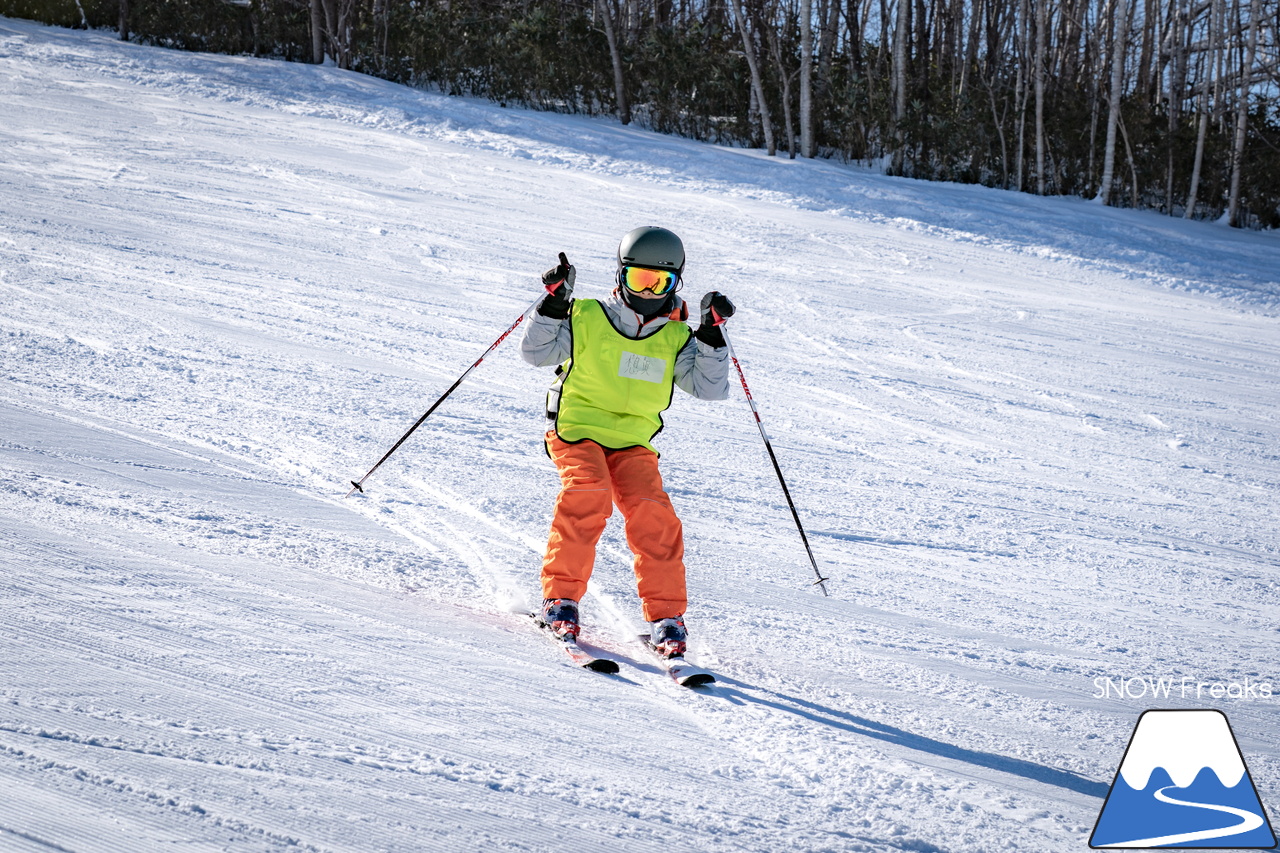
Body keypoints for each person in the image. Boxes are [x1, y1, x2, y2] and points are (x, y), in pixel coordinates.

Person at [520, 226, 735, 659]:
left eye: (661, 283)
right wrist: (553, 305)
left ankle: (667, 618)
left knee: (653, 512)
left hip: (634, 442)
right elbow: (537, 353)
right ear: (621, 276)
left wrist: (711, 338)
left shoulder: (677, 338)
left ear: (676, 283)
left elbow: (709, 388)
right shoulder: (586, 315)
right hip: (576, 429)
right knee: (588, 492)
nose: (648, 291)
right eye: (639, 279)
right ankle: (560, 599)